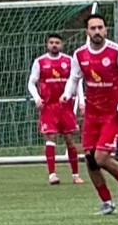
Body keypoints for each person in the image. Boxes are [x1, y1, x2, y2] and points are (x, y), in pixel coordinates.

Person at [62, 14, 118, 215]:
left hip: (113, 114)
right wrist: (67, 94)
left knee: (101, 157)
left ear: (106, 30)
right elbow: (74, 78)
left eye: (100, 27)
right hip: (92, 114)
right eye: (93, 28)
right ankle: (106, 202)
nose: (97, 31)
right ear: (87, 32)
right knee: (90, 159)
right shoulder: (80, 55)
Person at [28, 33, 83, 185]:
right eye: (51, 42)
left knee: (69, 139)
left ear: (61, 45)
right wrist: (37, 98)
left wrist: (81, 102)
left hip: (65, 107)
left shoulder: (69, 61)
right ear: (47, 45)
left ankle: (75, 175)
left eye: (57, 42)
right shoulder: (40, 62)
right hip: (48, 107)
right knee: (50, 137)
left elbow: (77, 82)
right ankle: (52, 174)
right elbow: (31, 83)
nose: (54, 45)